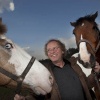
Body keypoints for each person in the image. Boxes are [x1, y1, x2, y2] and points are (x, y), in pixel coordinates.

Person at [14, 39, 100, 100]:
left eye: (55, 48)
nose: (52, 52)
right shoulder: (45, 72)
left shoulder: (74, 66)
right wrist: (25, 99)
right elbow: (37, 95)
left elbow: (87, 84)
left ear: (63, 51)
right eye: (49, 50)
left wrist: (95, 73)